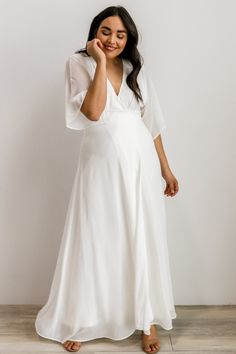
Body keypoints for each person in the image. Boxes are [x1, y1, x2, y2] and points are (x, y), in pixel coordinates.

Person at [35, 5, 179, 354]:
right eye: (105, 31)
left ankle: (146, 322)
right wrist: (99, 63)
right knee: (95, 237)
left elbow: (152, 124)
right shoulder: (79, 63)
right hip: (100, 164)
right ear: (94, 33)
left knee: (140, 235)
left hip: (140, 163)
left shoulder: (135, 70)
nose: (112, 39)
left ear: (128, 38)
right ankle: (82, 317)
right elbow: (94, 111)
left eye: (120, 34)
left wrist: (165, 168)